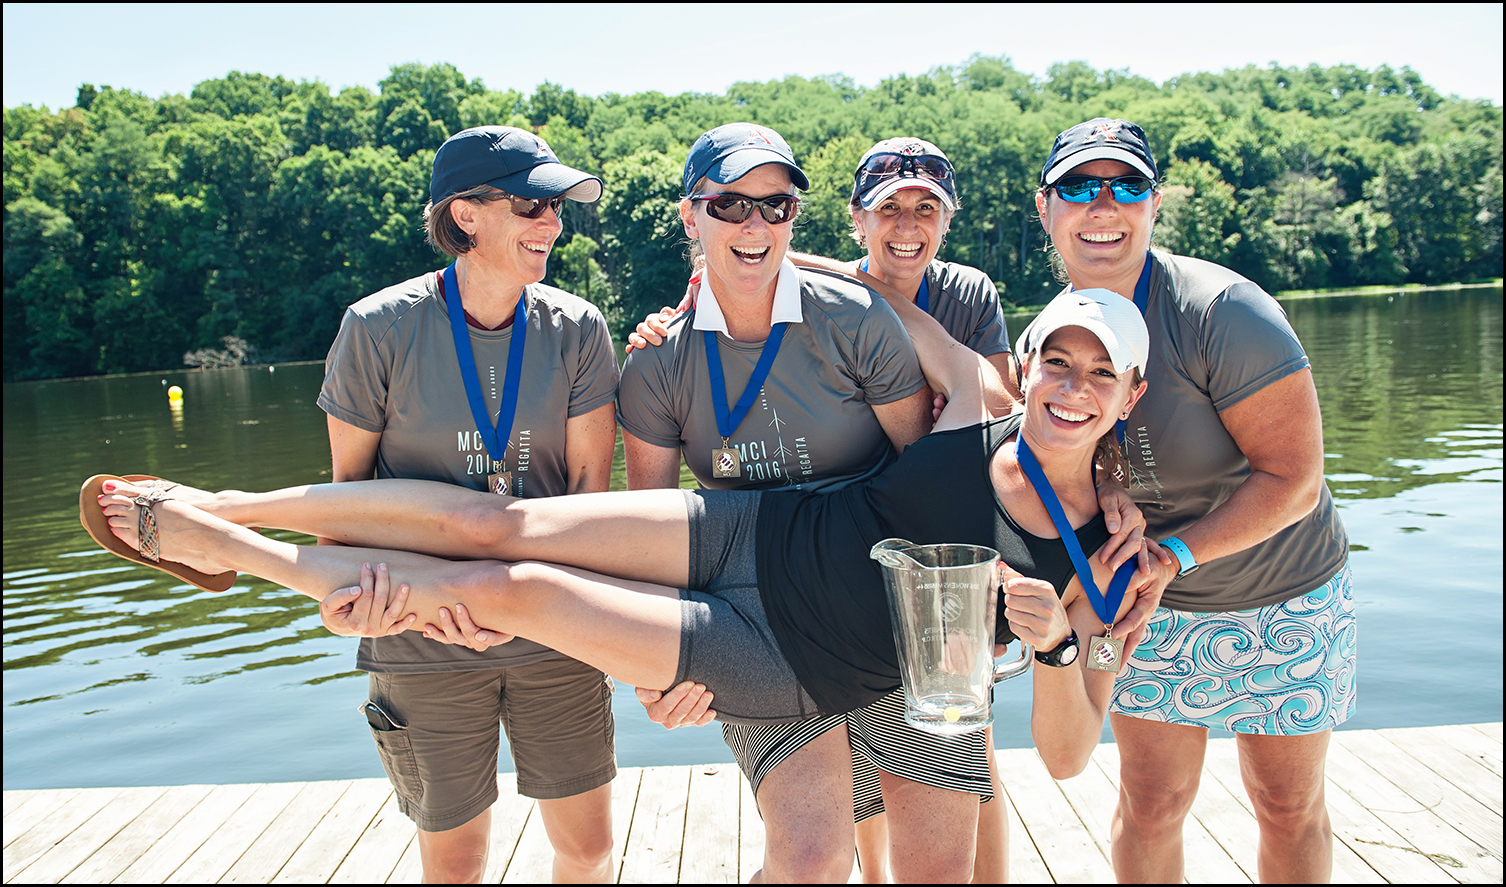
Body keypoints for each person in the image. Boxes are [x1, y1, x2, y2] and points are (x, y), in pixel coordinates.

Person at [86, 288, 1169, 885]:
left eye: (1099, 374)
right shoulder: (977, 399)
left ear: (1132, 394)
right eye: (1056, 364)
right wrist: (724, 278)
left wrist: (1059, 644)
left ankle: (242, 554)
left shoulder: (1101, 550)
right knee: (499, 521)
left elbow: (1073, 754)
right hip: (751, 527)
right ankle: (233, 502)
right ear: (1026, 365)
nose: (1071, 390)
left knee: (511, 587)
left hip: (781, 662)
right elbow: (889, 302)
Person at [629, 135, 1041, 882]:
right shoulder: (658, 359)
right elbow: (645, 531)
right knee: (811, 860)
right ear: (692, 217)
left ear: (797, 217)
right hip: (760, 617)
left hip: (883, 612)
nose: (754, 224)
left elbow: (930, 483)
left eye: (776, 206)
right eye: (729, 204)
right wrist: (656, 666)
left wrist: (979, 606)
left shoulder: (864, 316)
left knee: (944, 861)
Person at [1033, 117, 1356, 883]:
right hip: (1152, 607)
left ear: (1154, 203)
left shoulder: (1224, 311)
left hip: (1286, 596)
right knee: (1150, 799)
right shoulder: (1055, 329)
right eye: (1079, 186)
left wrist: (1173, 552)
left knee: (1286, 801)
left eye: (1127, 186)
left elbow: (1295, 479)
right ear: (1046, 208)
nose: (1102, 205)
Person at [315, 125, 620, 884]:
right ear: (466, 214)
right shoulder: (375, 327)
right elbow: (343, 504)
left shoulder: (579, 329)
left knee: (587, 848)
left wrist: (518, 602)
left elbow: (590, 501)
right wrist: (399, 605)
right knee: (456, 865)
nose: (551, 222)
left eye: (556, 207)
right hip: (419, 632)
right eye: (529, 204)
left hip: (554, 623)